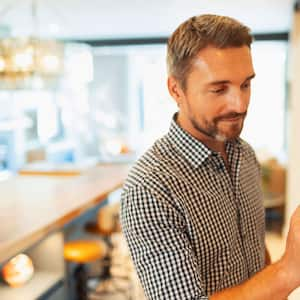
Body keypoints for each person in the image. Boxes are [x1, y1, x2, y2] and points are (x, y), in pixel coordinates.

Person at [120, 14, 300, 300]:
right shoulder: (150, 188)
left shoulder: (245, 154)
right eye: (219, 89)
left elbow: (253, 249)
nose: (239, 104)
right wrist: (287, 271)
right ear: (176, 89)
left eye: (246, 85)